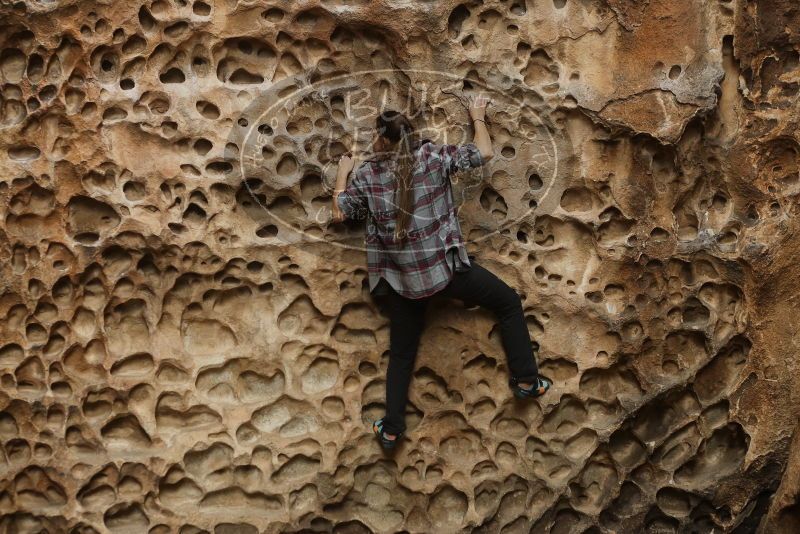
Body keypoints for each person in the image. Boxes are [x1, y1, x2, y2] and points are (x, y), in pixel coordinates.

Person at [331, 95, 551, 450]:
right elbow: (484, 153)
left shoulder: (369, 175)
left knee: (402, 354)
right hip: (446, 274)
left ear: (382, 140)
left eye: (376, 135)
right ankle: (526, 381)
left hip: (403, 285)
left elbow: (341, 212)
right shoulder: (432, 157)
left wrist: (342, 174)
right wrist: (477, 116)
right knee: (508, 302)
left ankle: (391, 430)